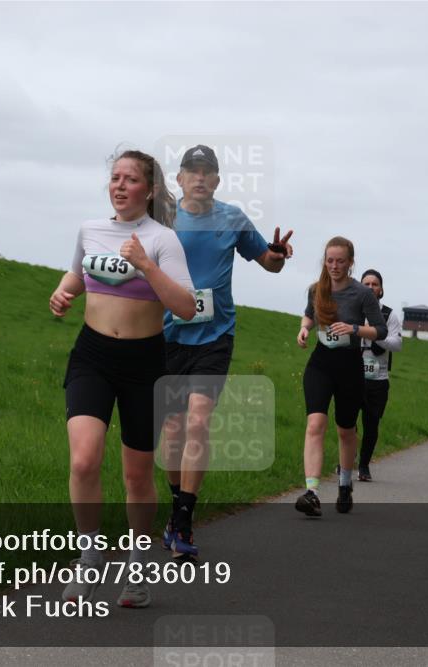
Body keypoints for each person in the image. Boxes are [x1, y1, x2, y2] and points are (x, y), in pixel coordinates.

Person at [50, 149, 196, 609]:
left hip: (143, 364)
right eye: (114, 177)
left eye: (130, 179)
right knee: (83, 461)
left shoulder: (162, 240)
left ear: (148, 190)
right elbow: (78, 274)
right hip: (92, 355)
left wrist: (147, 265)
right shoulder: (89, 231)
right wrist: (62, 291)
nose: (119, 186)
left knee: (136, 476)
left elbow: (187, 307)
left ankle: (136, 563)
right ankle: (89, 553)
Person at [159, 144, 293, 562]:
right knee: (173, 432)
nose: (200, 178)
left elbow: (268, 263)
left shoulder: (232, 217)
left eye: (208, 172)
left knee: (198, 422)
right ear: (179, 178)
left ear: (217, 180)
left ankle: (184, 520)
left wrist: (278, 255)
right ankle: (173, 509)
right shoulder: (162, 217)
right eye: (192, 171)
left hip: (216, 336)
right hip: (168, 337)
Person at [294, 237, 387, 517]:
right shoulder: (316, 289)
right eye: (330, 260)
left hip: (350, 366)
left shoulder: (362, 294)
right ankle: (311, 492)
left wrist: (354, 328)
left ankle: (345, 483)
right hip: (321, 363)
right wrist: (304, 329)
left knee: (346, 430)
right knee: (315, 424)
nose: (334, 266)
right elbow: (309, 315)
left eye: (340, 261)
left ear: (350, 263)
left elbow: (380, 331)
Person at [357, 269, 402, 481]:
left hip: (378, 380)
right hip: (352, 376)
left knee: (371, 424)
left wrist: (374, 333)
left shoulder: (389, 315)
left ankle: (364, 466)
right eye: (365, 283)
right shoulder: (352, 311)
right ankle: (344, 463)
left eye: (374, 284)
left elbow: (396, 344)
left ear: (381, 289)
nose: (370, 287)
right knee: (347, 424)